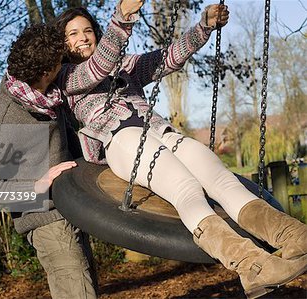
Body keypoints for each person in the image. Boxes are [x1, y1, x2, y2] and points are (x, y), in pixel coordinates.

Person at [26, 1, 305, 298]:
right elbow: (98, 67)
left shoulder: (124, 66)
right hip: (122, 143)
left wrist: (204, 26)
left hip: (160, 133)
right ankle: (253, 267)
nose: (83, 37)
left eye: (87, 30)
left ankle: (295, 236)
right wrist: (123, 17)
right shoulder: (68, 78)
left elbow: (167, 58)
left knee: (220, 177)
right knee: (185, 189)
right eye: (72, 34)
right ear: (62, 43)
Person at [0, 24, 98, 298]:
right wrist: (36, 185)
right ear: (45, 72)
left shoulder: (49, 99)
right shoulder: (6, 121)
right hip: (46, 222)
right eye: (59, 63)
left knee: (88, 291)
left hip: (71, 209)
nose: (63, 67)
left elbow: (69, 148)